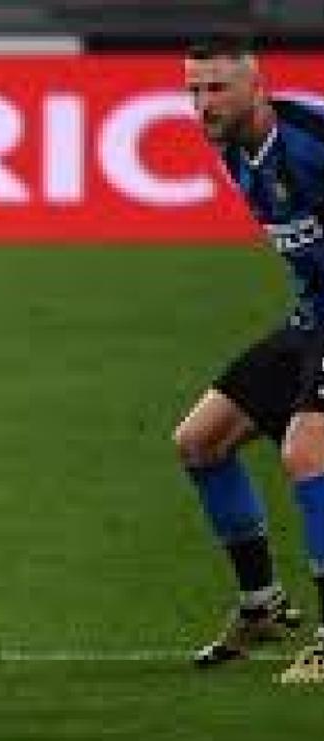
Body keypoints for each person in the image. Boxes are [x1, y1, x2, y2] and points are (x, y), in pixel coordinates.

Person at [175, 38, 324, 683]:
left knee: (307, 452)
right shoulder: (235, 148)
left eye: (216, 89)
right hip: (314, 317)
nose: (203, 104)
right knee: (200, 442)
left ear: (257, 88)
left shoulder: (310, 140)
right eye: (194, 90)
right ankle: (261, 604)